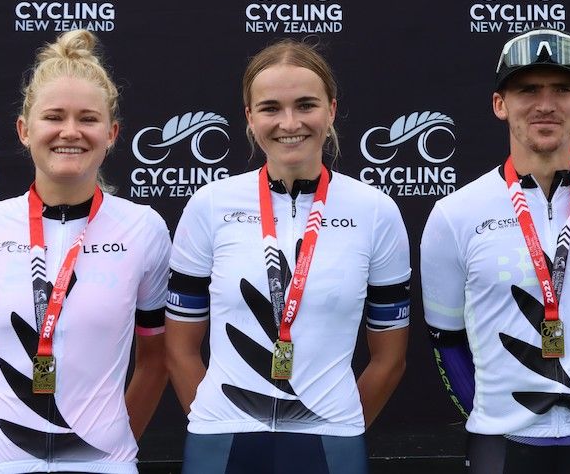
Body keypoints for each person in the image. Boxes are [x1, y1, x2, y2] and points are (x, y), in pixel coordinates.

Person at [421, 29, 570, 473]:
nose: (545, 105)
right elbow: (445, 340)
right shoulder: (454, 213)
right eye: (528, 90)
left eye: (562, 89)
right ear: (500, 104)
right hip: (500, 446)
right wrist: (502, 414)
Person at [165, 39, 411, 474]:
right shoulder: (210, 205)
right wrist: (215, 417)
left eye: (306, 105)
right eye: (271, 108)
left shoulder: (374, 211)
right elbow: (179, 348)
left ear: (331, 110)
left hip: (331, 438)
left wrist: (341, 420)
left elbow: (389, 358)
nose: (289, 122)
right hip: (221, 437)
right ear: (249, 117)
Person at [0, 30, 171, 473]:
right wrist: (14, 437)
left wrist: (112, 444)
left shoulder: (143, 228)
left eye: (88, 119)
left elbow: (155, 360)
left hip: (103, 463)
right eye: (54, 116)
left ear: (111, 133)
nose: (70, 131)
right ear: (24, 129)